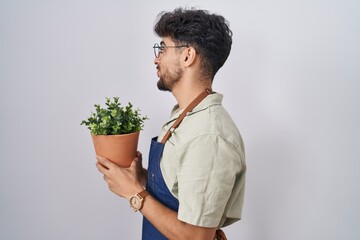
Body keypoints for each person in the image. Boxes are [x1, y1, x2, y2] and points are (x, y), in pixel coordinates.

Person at [96, 7, 246, 240]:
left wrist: (134, 193)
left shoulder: (208, 136)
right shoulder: (185, 116)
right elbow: (179, 193)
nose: (156, 58)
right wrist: (139, 178)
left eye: (163, 48)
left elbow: (197, 237)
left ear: (187, 56)